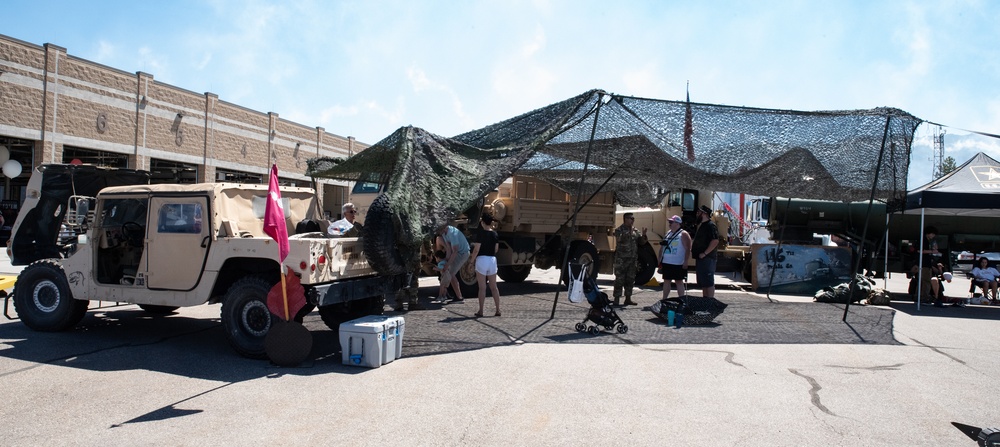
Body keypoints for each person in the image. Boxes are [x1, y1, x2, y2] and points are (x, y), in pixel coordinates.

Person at [612, 212, 647, 306]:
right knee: (619, 279)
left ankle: (628, 298)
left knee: (630, 279)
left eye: (633, 218)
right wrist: (628, 233)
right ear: (625, 219)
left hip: (632, 259)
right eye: (631, 218)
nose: (633, 220)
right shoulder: (619, 230)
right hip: (621, 259)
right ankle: (616, 299)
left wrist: (644, 236)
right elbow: (619, 239)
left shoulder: (635, 230)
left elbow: (641, 242)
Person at [469, 214, 501, 317]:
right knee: (494, 287)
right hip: (492, 260)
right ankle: (498, 310)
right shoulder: (495, 234)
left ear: (482, 222)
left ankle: (481, 311)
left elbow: (476, 250)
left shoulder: (480, 234)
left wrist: (471, 262)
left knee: (482, 288)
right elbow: (496, 249)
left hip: (482, 260)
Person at [659, 215, 692, 301]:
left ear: (677, 223)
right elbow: (662, 247)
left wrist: (686, 261)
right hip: (666, 262)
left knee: (679, 281)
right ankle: (664, 299)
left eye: (671, 222)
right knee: (666, 281)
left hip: (678, 263)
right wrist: (660, 259)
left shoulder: (683, 234)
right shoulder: (668, 233)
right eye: (669, 222)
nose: (669, 224)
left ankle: (682, 300)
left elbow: (688, 249)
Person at [437, 224, 471, 303]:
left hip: (463, 253)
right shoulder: (444, 233)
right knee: (449, 272)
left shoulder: (452, 233)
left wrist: (447, 264)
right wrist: (446, 261)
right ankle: (455, 296)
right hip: (457, 253)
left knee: (451, 273)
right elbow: (449, 249)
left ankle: (459, 297)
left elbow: (455, 251)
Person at [691, 205, 720, 299]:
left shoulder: (711, 226)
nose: (697, 214)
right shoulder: (702, 225)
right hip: (701, 258)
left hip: (708, 258)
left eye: (699, 212)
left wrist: (705, 253)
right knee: (703, 282)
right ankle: (705, 300)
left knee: (708, 281)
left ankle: (710, 301)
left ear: (704, 214)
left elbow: (715, 241)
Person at [917, 226, 943, 307]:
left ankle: (920, 297)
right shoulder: (923, 240)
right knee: (926, 281)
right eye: (933, 234)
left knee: (924, 281)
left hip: (926, 263)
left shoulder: (928, 241)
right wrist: (932, 251)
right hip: (924, 263)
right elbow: (920, 250)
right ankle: (924, 298)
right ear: (929, 233)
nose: (933, 236)